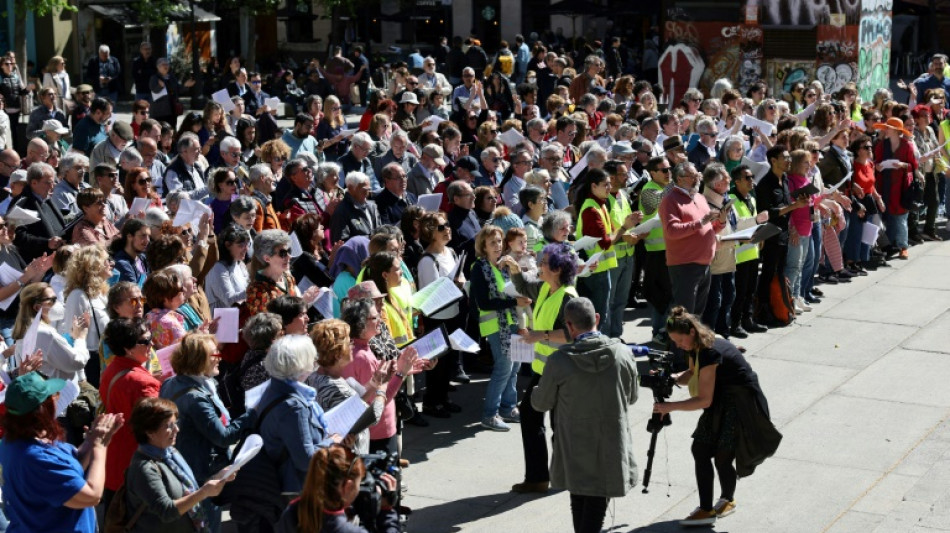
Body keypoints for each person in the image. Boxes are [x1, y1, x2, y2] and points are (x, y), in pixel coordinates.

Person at [654, 306, 781, 526]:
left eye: (679, 341)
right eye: (675, 342)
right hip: (722, 397)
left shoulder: (708, 352)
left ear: (691, 332)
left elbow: (704, 400)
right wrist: (672, 378)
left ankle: (722, 502)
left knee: (723, 456)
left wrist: (670, 407)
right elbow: (693, 373)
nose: (678, 345)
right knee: (701, 449)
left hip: (740, 401)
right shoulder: (696, 346)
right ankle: (708, 508)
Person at [530, 297, 639, 533]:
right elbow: (631, 397)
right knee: (595, 503)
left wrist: (537, 390)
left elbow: (541, 404)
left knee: (579, 497)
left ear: (569, 326)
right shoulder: (622, 353)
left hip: (575, 443)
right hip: (611, 443)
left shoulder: (559, 360)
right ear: (597, 319)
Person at [228, 335, 334, 531]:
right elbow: (305, 459)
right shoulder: (293, 406)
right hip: (294, 490)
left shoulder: (274, 388)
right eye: (311, 357)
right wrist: (331, 444)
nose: (315, 361)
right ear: (300, 364)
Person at [0, 372, 123, 533]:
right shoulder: (35, 458)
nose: (58, 399)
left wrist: (91, 441)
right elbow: (91, 495)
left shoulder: (15, 440)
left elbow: (68, 469)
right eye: (54, 396)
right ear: (43, 409)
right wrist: (100, 446)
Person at [500, 242, 578, 493]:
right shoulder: (546, 287)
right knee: (532, 417)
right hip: (544, 372)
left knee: (558, 426)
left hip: (561, 374)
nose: (539, 266)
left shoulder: (568, 298)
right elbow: (523, 285)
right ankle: (539, 477)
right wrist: (514, 270)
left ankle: (559, 475)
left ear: (556, 269)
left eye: (543, 263)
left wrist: (540, 336)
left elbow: (571, 334)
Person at [160, 331, 253, 531]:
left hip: (184, 466)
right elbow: (224, 437)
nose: (220, 358)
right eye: (215, 355)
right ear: (199, 360)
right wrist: (252, 415)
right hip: (202, 475)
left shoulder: (171, 383)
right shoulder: (197, 399)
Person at [122, 397, 234, 533]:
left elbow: (189, 490)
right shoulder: (144, 468)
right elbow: (167, 511)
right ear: (149, 432)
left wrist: (217, 477)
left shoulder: (170, 453)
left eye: (176, 423)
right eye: (169, 426)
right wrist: (203, 492)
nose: (177, 429)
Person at [470, 225, 531, 431]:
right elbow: (484, 303)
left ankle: (508, 407)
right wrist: (514, 303)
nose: (497, 245)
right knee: (503, 368)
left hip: (512, 321)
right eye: (492, 242)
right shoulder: (479, 268)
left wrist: (515, 271)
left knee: (514, 367)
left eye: (499, 241)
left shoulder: (504, 264)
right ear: (483, 246)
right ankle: (489, 415)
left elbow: (516, 289)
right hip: (495, 325)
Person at [99, 318, 161, 514]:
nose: (152, 343)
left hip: (115, 457)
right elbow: (157, 426)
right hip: (136, 462)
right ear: (127, 348)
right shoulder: (142, 383)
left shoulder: (112, 369)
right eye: (145, 341)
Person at [275, 445, 399, 533]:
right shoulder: (347, 530)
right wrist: (387, 512)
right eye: (358, 484)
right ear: (347, 486)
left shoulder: (293, 511)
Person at [416, 212, 465, 417]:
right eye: (441, 227)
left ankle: (443, 398)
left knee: (449, 359)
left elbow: (458, 276)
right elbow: (433, 294)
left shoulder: (451, 252)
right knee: (437, 362)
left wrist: (460, 283)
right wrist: (454, 286)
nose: (447, 229)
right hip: (436, 317)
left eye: (447, 225)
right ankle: (431, 402)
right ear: (430, 232)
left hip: (452, 312)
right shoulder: (427, 260)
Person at [60, 245, 113, 387]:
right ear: (93, 265)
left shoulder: (102, 293)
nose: (111, 264)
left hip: (107, 358)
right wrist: (81, 378)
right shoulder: (78, 296)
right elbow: (73, 336)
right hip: (91, 364)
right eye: (106, 261)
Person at [246, 229, 318, 315]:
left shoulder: (287, 277)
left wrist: (305, 300)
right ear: (267, 258)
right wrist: (303, 303)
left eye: (289, 251)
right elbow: (268, 325)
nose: (289, 257)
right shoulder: (257, 290)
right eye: (282, 253)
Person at [12, 162, 66, 262]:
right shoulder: (22, 203)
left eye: (53, 182)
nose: (52, 186)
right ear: (34, 183)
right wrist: (46, 243)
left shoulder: (47, 200)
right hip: (37, 265)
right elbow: (18, 237)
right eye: (48, 183)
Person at [205, 224, 250, 310]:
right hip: (222, 321)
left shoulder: (240, 264)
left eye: (247, 244)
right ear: (228, 245)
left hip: (240, 317)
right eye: (241, 245)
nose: (246, 249)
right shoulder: (217, 268)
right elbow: (230, 300)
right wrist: (254, 289)